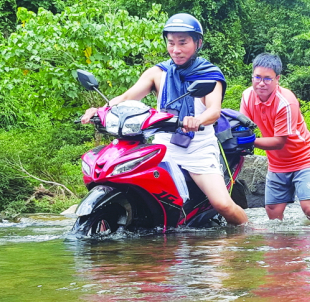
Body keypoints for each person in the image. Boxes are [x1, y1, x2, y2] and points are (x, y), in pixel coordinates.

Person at [80, 13, 248, 226]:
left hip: (198, 148)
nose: (176, 49)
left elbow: (214, 111)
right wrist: (100, 110)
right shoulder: (158, 73)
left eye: (183, 42)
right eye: (171, 43)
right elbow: (125, 97)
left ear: (198, 43)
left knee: (222, 204)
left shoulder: (208, 75)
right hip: (163, 148)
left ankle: (247, 231)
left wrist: (197, 120)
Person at [239, 53, 310, 222]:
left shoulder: (286, 102)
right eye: (257, 77)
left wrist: (251, 142)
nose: (261, 83)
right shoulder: (247, 96)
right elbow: (244, 127)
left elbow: (279, 142)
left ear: (277, 78)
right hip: (277, 163)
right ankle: (283, 247)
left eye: (267, 78)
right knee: (273, 212)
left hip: (303, 158)